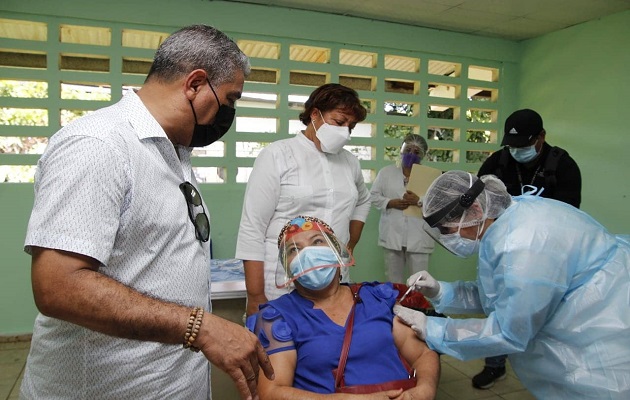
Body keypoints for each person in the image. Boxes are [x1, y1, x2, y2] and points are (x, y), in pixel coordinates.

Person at [21, 25, 273, 400]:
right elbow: (58, 286)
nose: (230, 112)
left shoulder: (174, 152)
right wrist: (200, 327)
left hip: (169, 384)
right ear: (195, 84)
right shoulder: (99, 145)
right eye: (231, 99)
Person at [394, 170, 630, 399]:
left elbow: (510, 331)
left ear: (475, 209)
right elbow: (498, 295)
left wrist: (433, 329)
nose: (447, 236)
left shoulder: (523, 245)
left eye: (447, 229)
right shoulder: (507, 220)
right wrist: (441, 291)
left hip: (602, 329)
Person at [247, 216, 440, 399]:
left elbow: (421, 354)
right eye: (293, 249)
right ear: (287, 268)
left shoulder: (375, 297)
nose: (307, 253)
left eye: (316, 242)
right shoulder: (278, 317)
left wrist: (426, 388)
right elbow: (272, 392)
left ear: (337, 252)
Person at [236, 83, 371, 316]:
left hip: (335, 281)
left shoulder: (350, 162)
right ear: (315, 114)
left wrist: (351, 243)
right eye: (339, 122)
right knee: (280, 348)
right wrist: (256, 295)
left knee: (328, 346)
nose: (345, 131)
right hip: (282, 282)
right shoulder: (277, 155)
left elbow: (363, 200)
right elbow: (252, 227)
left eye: (350, 126)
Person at [473, 108, 582, 388]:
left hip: (548, 253)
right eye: (512, 145)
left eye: (523, 144)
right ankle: (495, 364)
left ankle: (552, 373)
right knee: (497, 304)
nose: (517, 150)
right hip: (503, 249)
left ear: (541, 137)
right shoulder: (497, 163)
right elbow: (479, 203)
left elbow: (569, 216)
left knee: (546, 311)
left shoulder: (563, 165)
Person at [370, 134, 435, 283]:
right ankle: (395, 305)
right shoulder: (386, 173)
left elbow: (438, 203)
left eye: (416, 152)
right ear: (401, 150)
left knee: (420, 280)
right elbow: (373, 195)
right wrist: (390, 202)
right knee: (393, 279)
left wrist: (419, 201)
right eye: (408, 150)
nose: (411, 154)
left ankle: (418, 306)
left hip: (419, 234)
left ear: (423, 155)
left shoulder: (430, 177)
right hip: (393, 233)